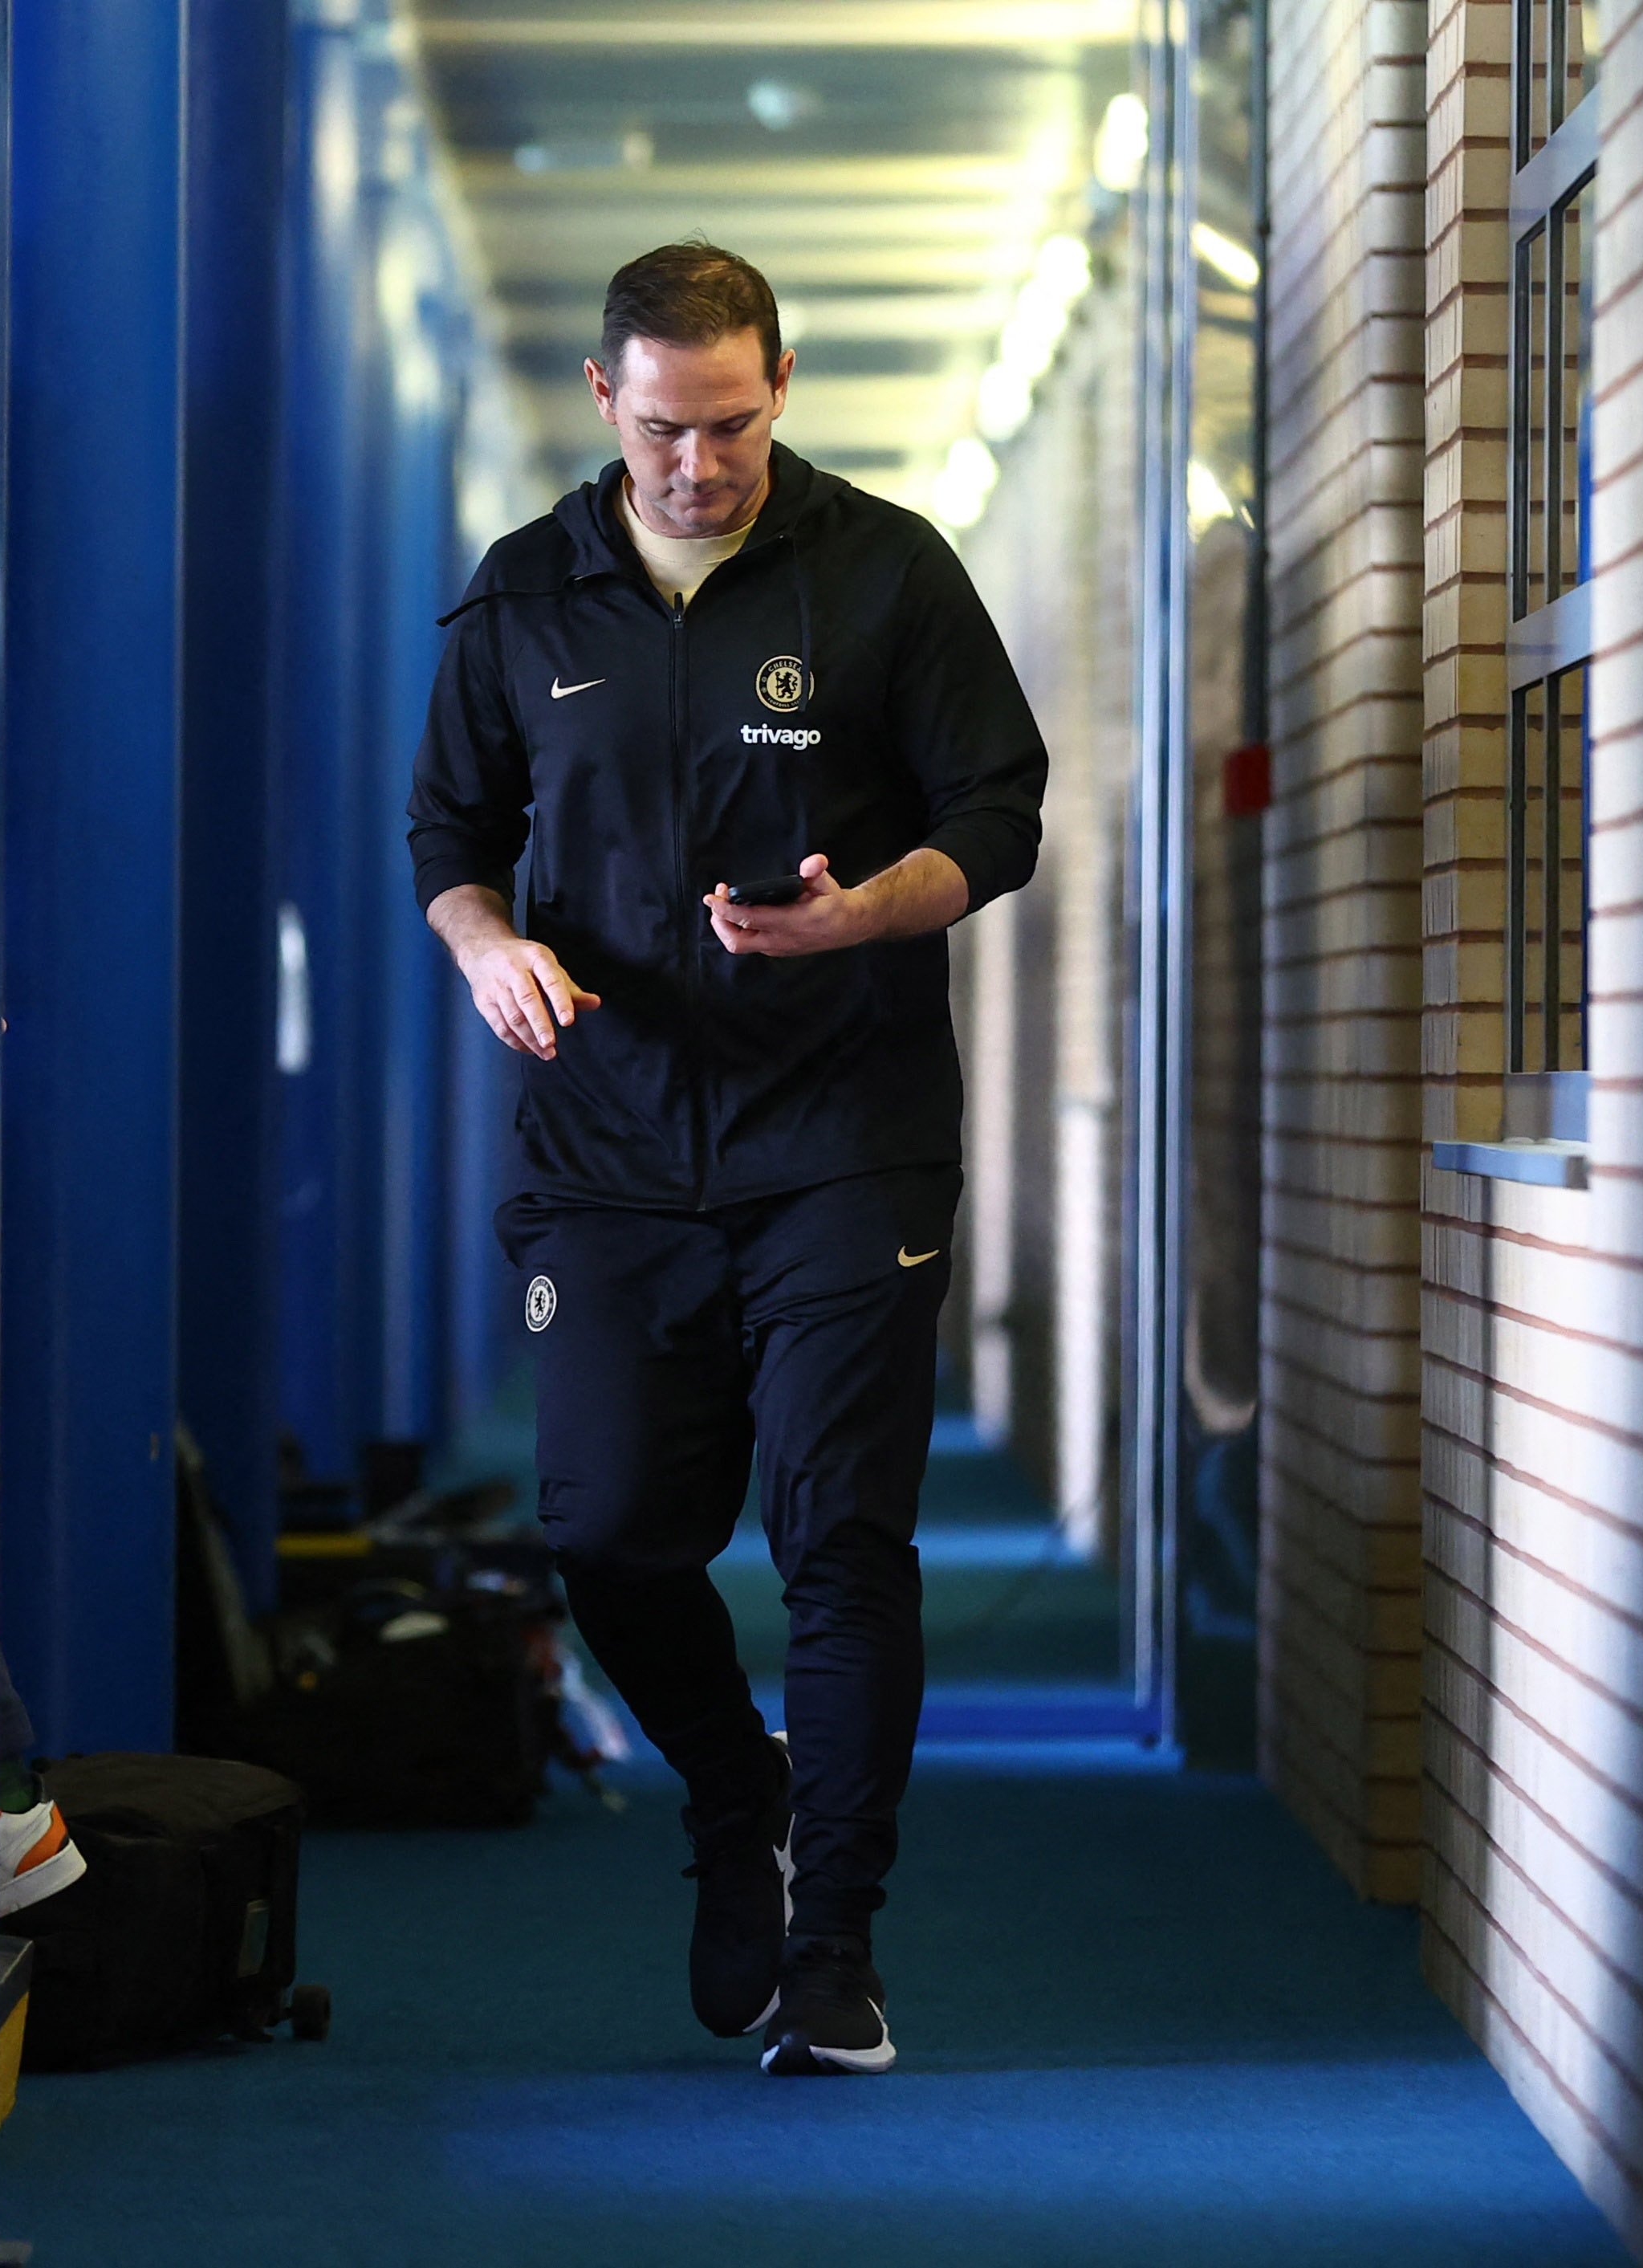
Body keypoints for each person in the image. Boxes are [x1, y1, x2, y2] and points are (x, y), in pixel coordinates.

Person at [405, 241, 1048, 2075]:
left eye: (736, 427)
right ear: (605, 401)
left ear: (785, 389)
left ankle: (834, 1945)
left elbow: (998, 812)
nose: (699, 466)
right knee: (607, 1535)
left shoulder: (887, 572)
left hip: (844, 1137)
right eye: (666, 430)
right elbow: (451, 834)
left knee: (840, 1540)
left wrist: (863, 916)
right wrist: (487, 949)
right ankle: (731, 1788)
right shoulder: (527, 595)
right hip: (609, 1147)